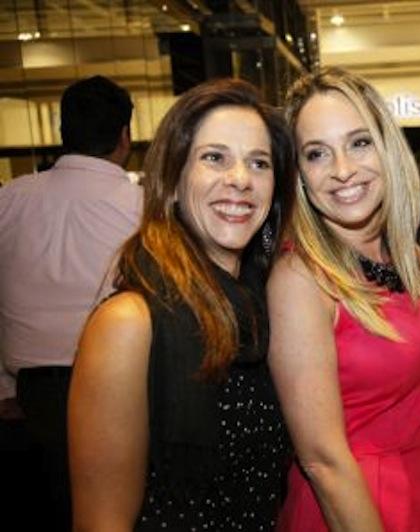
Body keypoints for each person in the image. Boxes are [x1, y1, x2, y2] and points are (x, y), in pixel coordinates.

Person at [270, 67, 420, 531]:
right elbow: (322, 459)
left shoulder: (406, 254)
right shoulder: (300, 279)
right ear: (299, 175)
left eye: (359, 142)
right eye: (317, 153)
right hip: (360, 505)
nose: (342, 170)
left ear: (387, 147)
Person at [68, 78, 295, 530]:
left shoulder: (267, 308)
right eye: (214, 158)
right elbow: (101, 522)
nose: (240, 179)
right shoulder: (129, 324)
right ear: (172, 179)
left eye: (259, 162)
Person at [0, 75, 141, 531]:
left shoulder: (9, 200)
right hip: (122, 391)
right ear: (124, 136)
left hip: (29, 402)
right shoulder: (143, 207)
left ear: (63, 131)